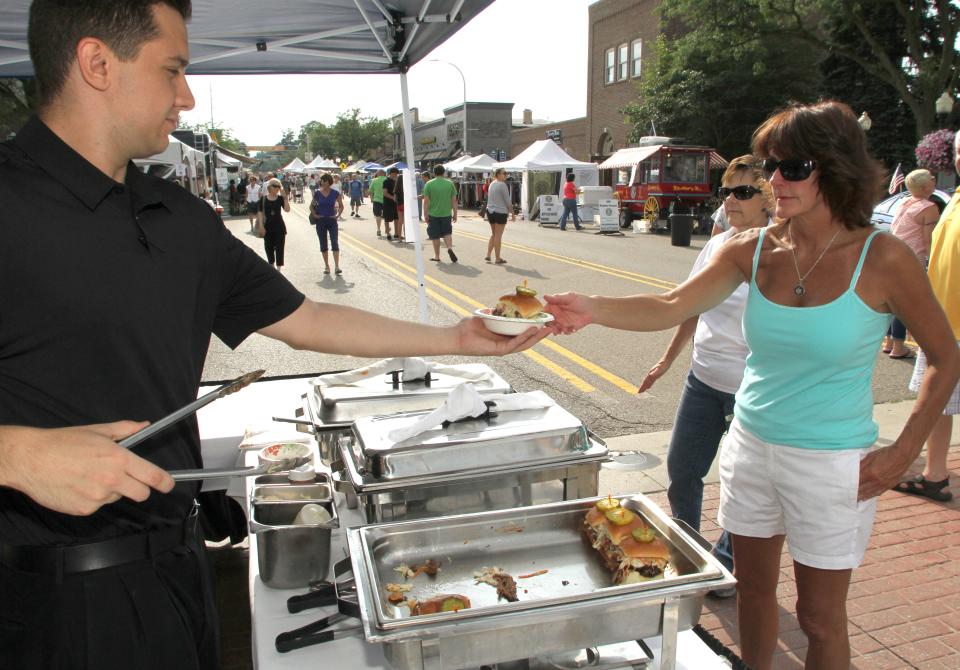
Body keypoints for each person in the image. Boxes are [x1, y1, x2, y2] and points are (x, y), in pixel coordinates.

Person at [0, 3, 547, 669]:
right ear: (96, 64)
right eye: (172, 69)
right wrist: (17, 456)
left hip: (179, 567)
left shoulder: (179, 218)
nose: (187, 95)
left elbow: (306, 319)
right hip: (44, 600)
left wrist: (457, 339)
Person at [544, 101, 960, 670]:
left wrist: (905, 449)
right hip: (752, 447)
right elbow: (671, 305)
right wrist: (588, 307)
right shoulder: (753, 248)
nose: (773, 181)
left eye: (792, 167)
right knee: (752, 593)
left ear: (834, 168)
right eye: (771, 167)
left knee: (819, 618)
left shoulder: (881, 258)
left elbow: (944, 355)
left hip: (833, 462)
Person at [637, 155, 773, 587]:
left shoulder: (778, 252)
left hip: (749, 390)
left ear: (768, 197)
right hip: (703, 380)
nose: (730, 199)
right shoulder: (718, 245)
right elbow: (688, 304)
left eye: (743, 191)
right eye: (727, 191)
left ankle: (726, 559)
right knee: (682, 470)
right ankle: (689, 550)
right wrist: (667, 360)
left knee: (741, 484)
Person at [896, 132, 960, 503]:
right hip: (941, 325)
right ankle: (935, 474)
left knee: (936, 402)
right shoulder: (950, 202)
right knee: (937, 404)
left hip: (952, 329)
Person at [882, 168, 939, 359]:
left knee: (893, 300)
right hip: (912, 259)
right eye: (931, 178)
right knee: (905, 302)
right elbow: (928, 239)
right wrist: (934, 262)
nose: (934, 180)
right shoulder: (928, 208)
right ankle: (899, 346)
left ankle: (889, 342)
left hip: (894, 256)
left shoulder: (904, 202)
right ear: (924, 186)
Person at [422, 164, 459, 263]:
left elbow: (426, 201)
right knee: (447, 233)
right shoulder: (450, 183)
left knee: (435, 236)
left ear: (434, 173)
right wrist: (455, 213)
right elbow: (454, 200)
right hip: (446, 213)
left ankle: (437, 256)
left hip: (433, 214)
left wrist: (425, 214)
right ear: (444, 172)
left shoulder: (429, 184)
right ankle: (449, 248)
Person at [311, 173, 343, 275]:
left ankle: (337, 266)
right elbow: (311, 206)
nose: (322, 182)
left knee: (334, 242)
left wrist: (337, 215)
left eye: (324, 181)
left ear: (329, 182)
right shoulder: (317, 193)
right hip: (321, 221)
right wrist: (315, 215)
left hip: (332, 220)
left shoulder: (335, 193)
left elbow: (341, 206)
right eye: (321, 181)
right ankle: (327, 266)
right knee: (323, 243)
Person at [485, 167, 515, 264]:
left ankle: (488, 255)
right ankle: (497, 258)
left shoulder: (492, 184)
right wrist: (513, 214)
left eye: (506, 173)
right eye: (504, 173)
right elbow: (507, 201)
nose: (506, 175)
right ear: (498, 174)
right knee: (498, 236)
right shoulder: (502, 185)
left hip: (490, 211)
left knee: (494, 234)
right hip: (500, 212)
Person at [259, 178, 290, 271]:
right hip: (267, 227)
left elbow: (287, 210)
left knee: (280, 248)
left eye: (278, 186)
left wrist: (285, 198)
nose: (277, 188)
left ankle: (279, 269)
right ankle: (271, 267)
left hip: (279, 227)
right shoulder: (263, 199)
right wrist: (261, 226)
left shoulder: (280, 198)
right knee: (268, 247)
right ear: (269, 187)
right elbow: (260, 213)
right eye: (275, 186)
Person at [382, 166, 400, 241]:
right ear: (391, 173)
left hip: (395, 203)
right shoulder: (386, 181)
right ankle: (388, 234)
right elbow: (385, 193)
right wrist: (393, 198)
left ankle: (396, 233)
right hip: (387, 203)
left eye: (397, 175)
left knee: (397, 218)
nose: (396, 176)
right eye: (395, 174)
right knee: (387, 219)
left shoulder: (396, 181)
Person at [369, 168, 386, 237]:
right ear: (384, 174)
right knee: (386, 216)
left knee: (378, 215)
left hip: (377, 200)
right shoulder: (387, 180)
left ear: (378, 174)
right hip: (386, 200)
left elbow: (370, 191)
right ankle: (387, 229)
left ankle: (378, 229)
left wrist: (371, 199)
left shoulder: (374, 180)